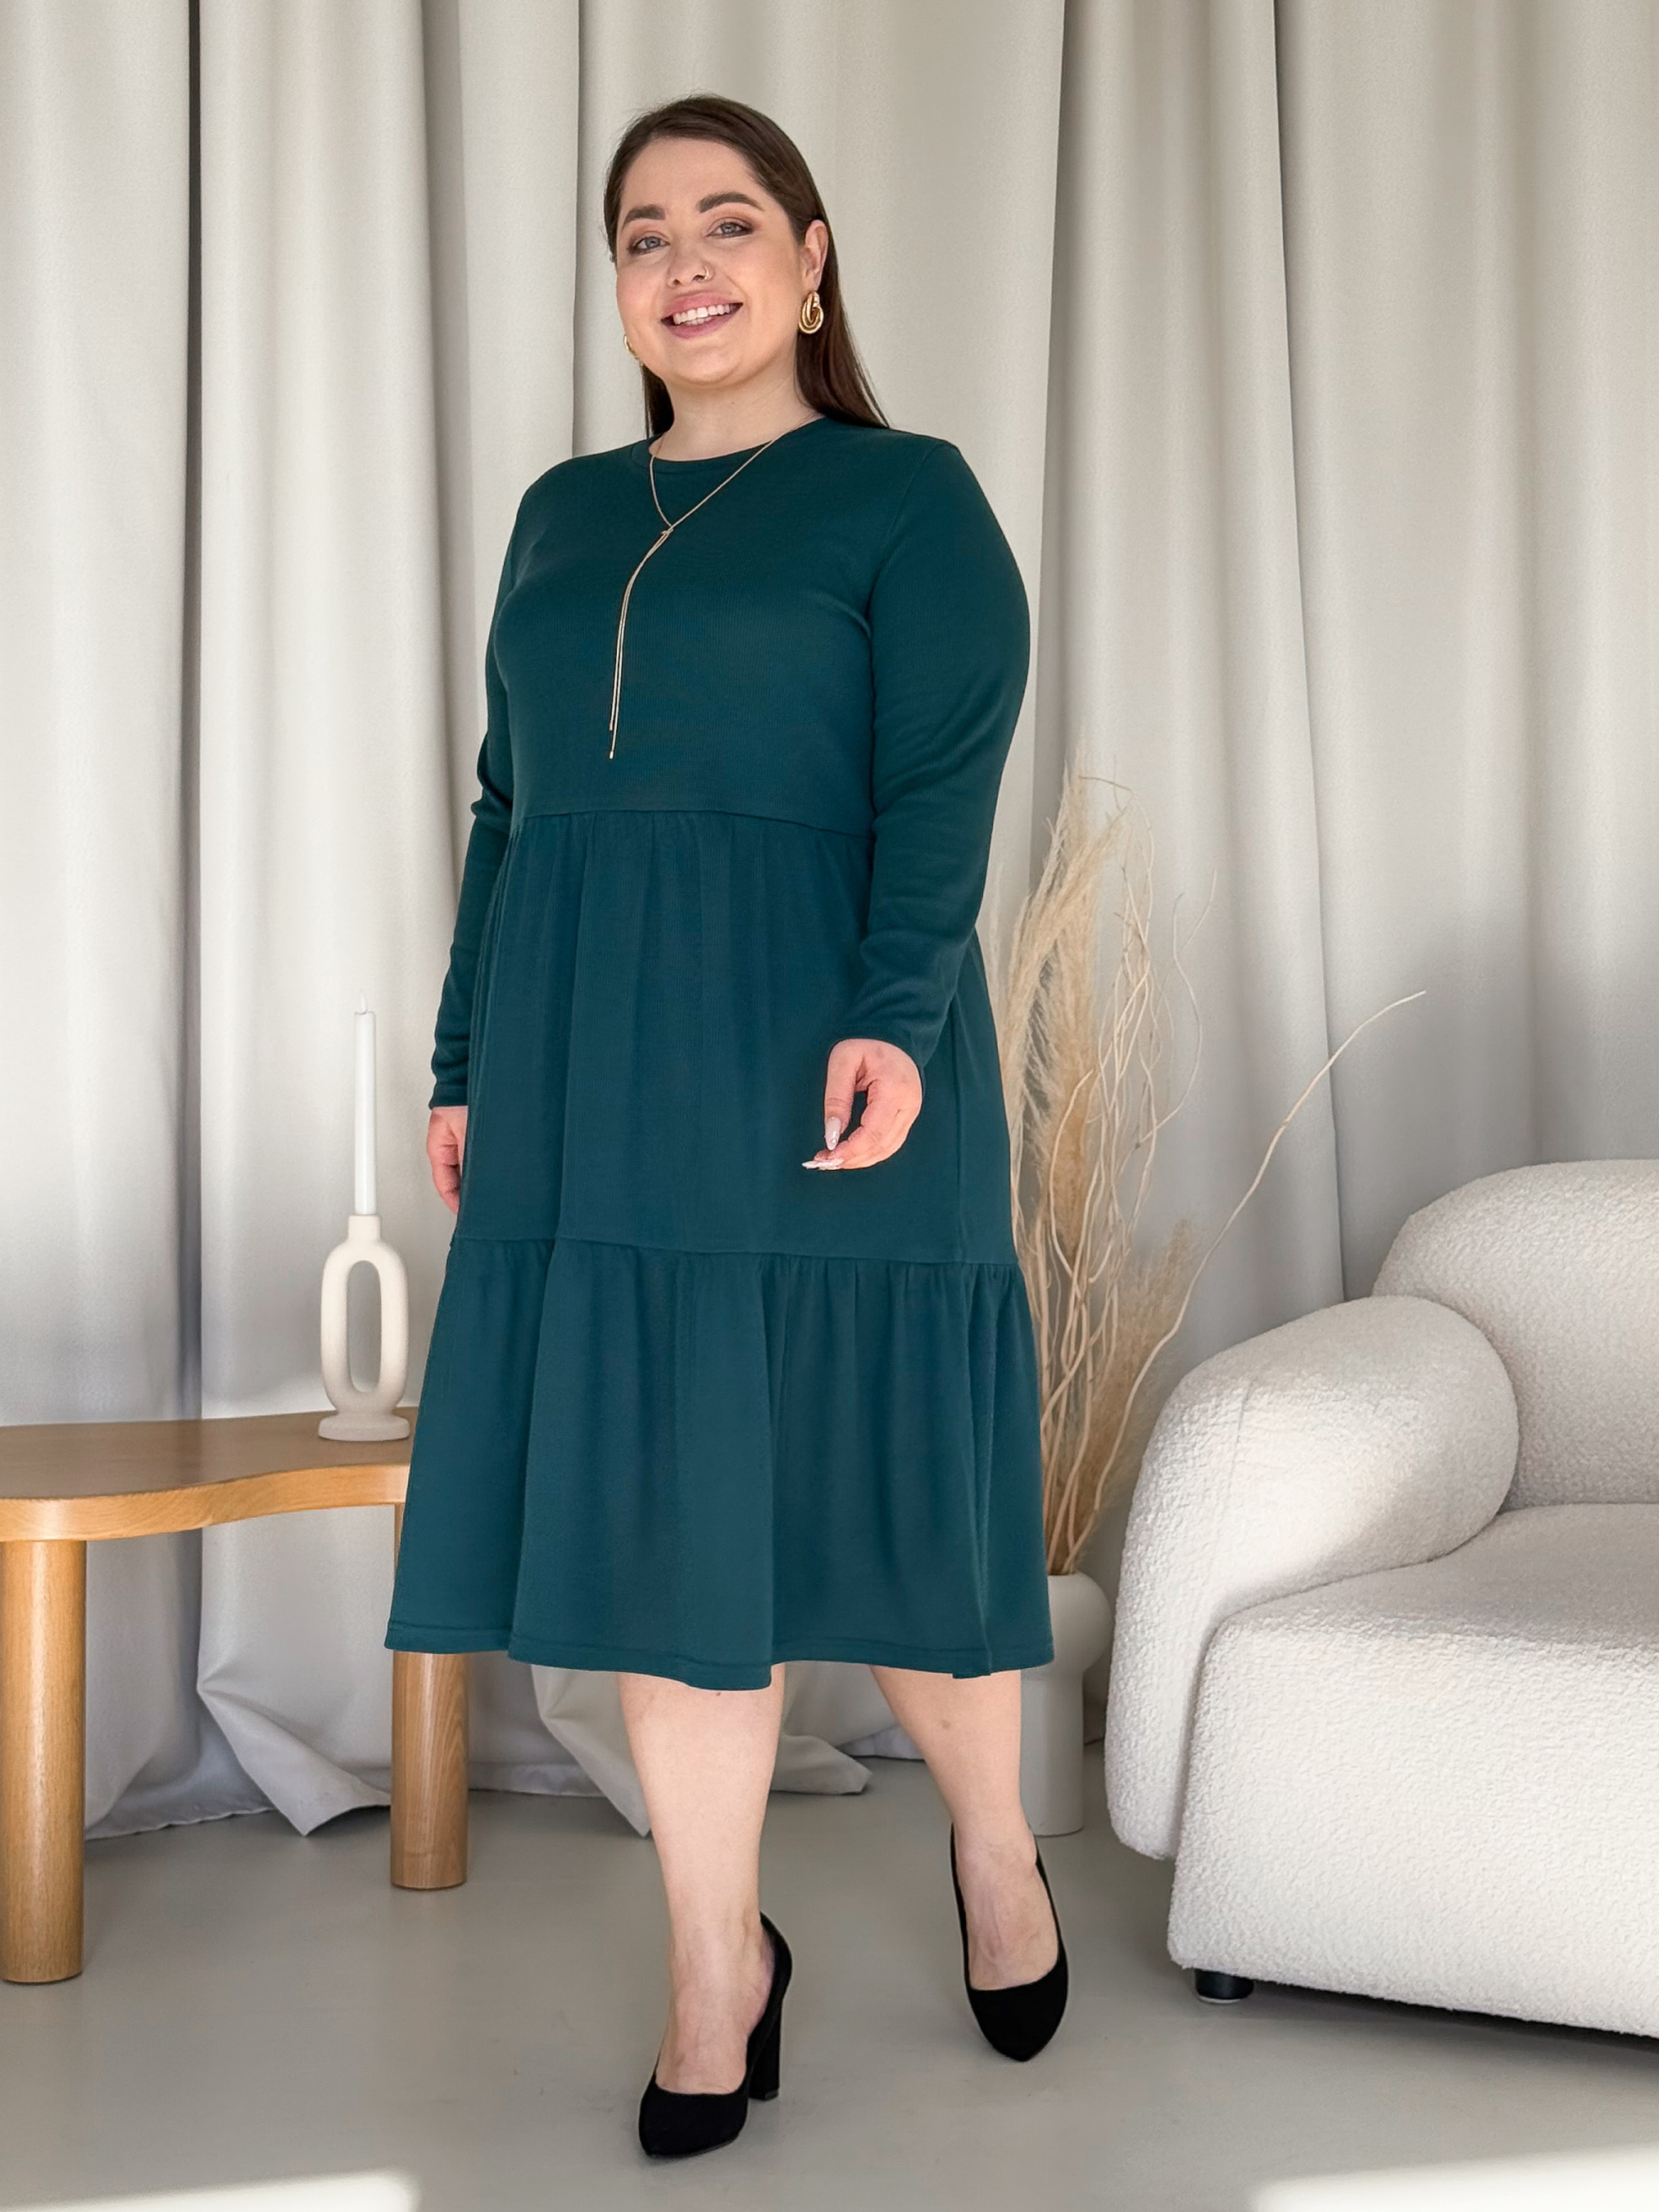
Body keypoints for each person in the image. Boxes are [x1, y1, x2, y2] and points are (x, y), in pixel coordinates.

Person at [384, 90, 1067, 2159]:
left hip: (826, 1064)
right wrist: (466, 1058)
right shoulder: (558, 514)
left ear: (810, 257)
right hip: (597, 1078)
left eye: (727, 222)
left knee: (902, 1508)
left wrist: (894, 1022)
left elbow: (940, 784)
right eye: (643, 234)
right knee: (676, 1526)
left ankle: (995, 1857)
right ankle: (714, 1970)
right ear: (617, 283)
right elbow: (507, 810)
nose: (684, 264)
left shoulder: (904, 498)